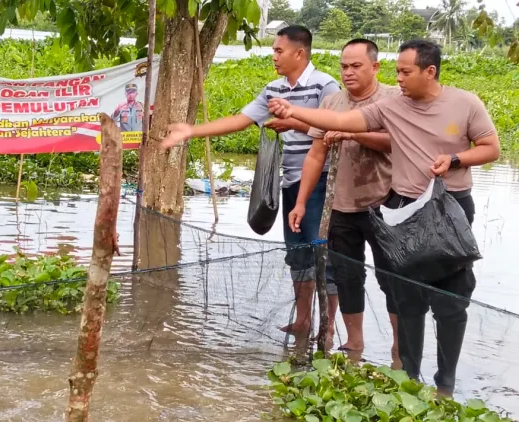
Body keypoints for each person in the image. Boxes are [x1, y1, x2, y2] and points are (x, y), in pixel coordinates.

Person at [267, 39, 500, 396]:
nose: (400, 79)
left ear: (430, 71)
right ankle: (407, 378)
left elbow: (491, 148)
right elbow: (341, 119)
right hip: (402, 209)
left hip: (450, 209)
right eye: (397, 72)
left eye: (406, 72)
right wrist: (293, 112)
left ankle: (446, 385)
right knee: (407, 299)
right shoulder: (393, 107)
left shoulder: (465, 103)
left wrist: (454, 160)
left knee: (451, 301)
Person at [160, 25, 342, 341]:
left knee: (322, 251)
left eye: (278, 50)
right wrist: (191, 131)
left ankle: (328, 326)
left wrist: (295, 121)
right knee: (297, 250)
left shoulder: (325, 87)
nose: (274, 56)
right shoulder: (274, 89)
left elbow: (338, 129)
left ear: (299, 53)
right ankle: (303, 321)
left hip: (322, 181)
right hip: (291, 181)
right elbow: (240, 120)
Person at [287, 38, 401, 368]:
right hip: (340, 204)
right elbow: (315, 155)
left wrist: (353, 134)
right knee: (348, 276)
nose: (348, 73)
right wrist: (301, 202)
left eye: (356, 66)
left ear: (375, 67)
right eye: (344, 67)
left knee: (391, 276)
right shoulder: (333, 103)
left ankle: (398, 350)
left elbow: (397, 143)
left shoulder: (393, 99)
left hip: (387, 202)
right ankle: (354, 344)